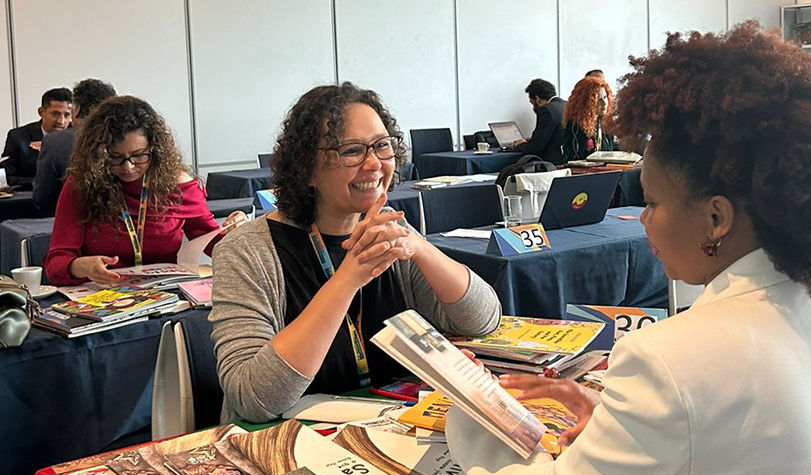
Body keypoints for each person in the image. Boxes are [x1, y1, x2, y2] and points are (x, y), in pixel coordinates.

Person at [445, 22, 811, 475]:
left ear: (716, 219)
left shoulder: (672, 361)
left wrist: (476, 416)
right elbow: (764, 456)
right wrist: (626, 428)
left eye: (653, 201)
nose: (642, 219)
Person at [209, 83, 501, 423]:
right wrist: (347, 279)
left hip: (386, 432)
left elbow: (482, 320)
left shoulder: (388, 232)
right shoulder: (247, 251)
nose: (374, 163)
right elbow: (253, 399)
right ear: (307, 168)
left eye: (381, 146)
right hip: (290, 444)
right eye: (351, 151)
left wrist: (420, 247)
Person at [44, 96, 245, 286]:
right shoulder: (82, 185)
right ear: (99, 155)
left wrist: (239, 232)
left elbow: (213, 242)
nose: (128, 167)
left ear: (155, 150)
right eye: (115, 157)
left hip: (165, 296)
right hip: (101, 294)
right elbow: (56, 262)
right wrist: (79, 267)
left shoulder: (177, 186)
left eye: (139, 156)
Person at [33, 78, 116, 211]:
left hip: (69, 220)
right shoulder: (125, 139)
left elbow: (43, 199)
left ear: (75, 109)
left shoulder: (55, 142)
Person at [2, 87, 72, 189]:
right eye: (55, 114)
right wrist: (42, 183)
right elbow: (7, 177)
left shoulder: (77, 136)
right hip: (29, 200)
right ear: (41, 112)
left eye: (67, 115)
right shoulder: (18, 137)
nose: (61, 121)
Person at [510, 79, 566, 165]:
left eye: (532, 103)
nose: (533, 107)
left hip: (552, 163)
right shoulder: (566, 105)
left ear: (537, 98)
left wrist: (520, 145)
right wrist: (534, 139)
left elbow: (535, 148)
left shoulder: (547, 110)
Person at [561, 76, 615, 162]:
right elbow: (575, 157)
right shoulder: (576, 125)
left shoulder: (605, 122)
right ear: (587, 102)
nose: (604, 103)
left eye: (605, 97)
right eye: (599, 99)